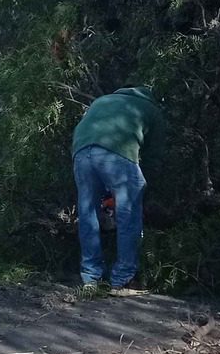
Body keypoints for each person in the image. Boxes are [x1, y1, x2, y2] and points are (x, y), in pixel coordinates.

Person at [70, 86, 164, 294]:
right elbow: (157, 154)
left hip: (81, 152)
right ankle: (122, 280)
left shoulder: (102, 100)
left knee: (88, 213)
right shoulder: (152, 109)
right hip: (116, 154)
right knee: (128, 214)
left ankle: (91, 278)